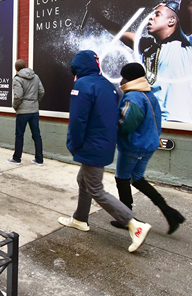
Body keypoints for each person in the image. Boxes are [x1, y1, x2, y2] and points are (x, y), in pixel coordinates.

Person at [58, 50, 152, 253]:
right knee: (83, 180)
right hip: (105, 144)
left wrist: (74, 144)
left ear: (77, 67)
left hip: (91, 145)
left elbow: (77, 120)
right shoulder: (108, 86)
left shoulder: (82, 85)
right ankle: (80, 219)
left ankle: (134, 224)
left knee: (95, 188)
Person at [89, 0, 192, 123]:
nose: (150, 17)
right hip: (151, 119)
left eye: (157, 14)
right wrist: (96, 15)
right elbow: (120, 33)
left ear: (172, 21)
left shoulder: (183, 41)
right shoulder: (147, 46)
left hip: (178, 120)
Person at [111, 62, 185, 234]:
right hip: (149, 144)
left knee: (122, 179)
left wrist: (111, 124)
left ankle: (126, 218)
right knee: (137, 179)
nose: (121, 80)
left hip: (133, 146)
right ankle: (169, 212)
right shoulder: (148, 94)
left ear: (127, 78)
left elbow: (126, 124)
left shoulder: (133, 97)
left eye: (123, 77)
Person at [6, 59, 45, 166]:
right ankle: (39, 159)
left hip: (23, 112)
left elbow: (18, 96)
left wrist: (15, 106)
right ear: (25, 66)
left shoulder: (17, 79)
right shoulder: (35, 76)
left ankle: (17, 158)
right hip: (34, 110)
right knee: (37, 135)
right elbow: (42, 91)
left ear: (16, 69)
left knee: (19, 135)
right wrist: (35, 101)